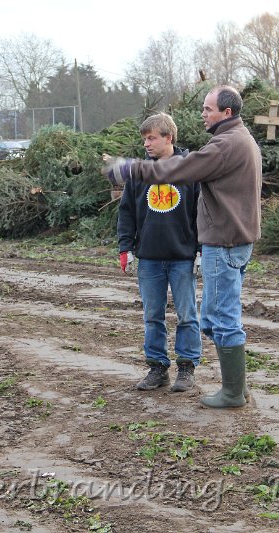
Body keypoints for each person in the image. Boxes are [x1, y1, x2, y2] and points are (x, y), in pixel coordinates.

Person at [103, 85, 262, 408]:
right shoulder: (240, 139)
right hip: (230, 240)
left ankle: (231, 392)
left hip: (224, 242)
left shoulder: (225, 144)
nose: (202, 114)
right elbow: (128, 214)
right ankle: (236, 387)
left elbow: (180, 169)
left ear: (226, 113)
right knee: (212, 318)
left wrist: (129, 169)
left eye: (208, 109)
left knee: (218, 319)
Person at [117, 113, 202, 393]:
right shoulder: (140, 173)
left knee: (187, 315)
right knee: (152, 315)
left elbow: (201, 212)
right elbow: (126, 211)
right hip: (150, 258)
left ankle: (187, 368)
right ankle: (157, 368)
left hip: (182, 257)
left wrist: (200, 249)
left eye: (152, 138)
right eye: (144, 139)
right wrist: (125, 247)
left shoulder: (190, 169)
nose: (147, 144)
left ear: (169, 137)